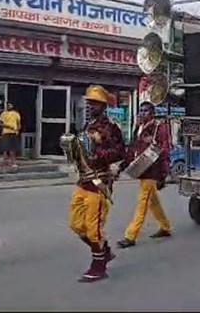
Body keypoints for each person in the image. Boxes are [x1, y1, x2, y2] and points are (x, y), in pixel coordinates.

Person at [68, 85, 125, 282]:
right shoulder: (87, 126)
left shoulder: (111, 128)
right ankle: (105, 250)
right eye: (89, 103)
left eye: (95, 103)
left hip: (99, 182)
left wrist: (97, 155)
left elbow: (120, 152)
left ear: (103, 106)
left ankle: (99, 266)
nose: (90, 106)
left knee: (94, 229)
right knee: (76, 224)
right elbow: (82, 151)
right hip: (82, 180)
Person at [117, 101, 173, 249]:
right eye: (140, 110)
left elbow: (165, 151)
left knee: (142, 202)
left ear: (152, 113)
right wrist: (122, 166)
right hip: (142, 170)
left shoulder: (159, 128)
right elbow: (132, 150)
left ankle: (130, 235)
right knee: (153, 201)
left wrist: (163, 175)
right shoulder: (139, 128)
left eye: (146, 111)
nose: (142, 113)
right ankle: (165, 226)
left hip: (152, 172)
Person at [0, 103, 21, 167]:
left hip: (13, 133)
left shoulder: (16, 114)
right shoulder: (3, 114)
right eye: (7, 105)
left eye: (10, 105)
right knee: (5, 148)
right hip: (6, 132)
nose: (8, 106)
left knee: (13, 149)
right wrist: (9, 126)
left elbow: (18, 123)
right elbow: (0, 124)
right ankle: (5, 162)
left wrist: (17, 130)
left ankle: (13, 162)